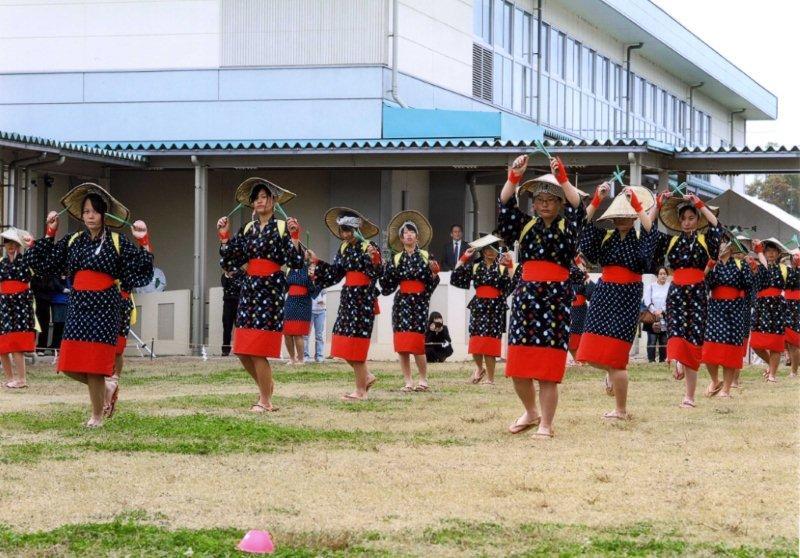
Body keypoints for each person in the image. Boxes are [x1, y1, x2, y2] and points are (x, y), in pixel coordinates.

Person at [24, 183, 153, 427]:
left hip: (105, 308)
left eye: (94, 211)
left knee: (94, 365)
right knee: (68, 365)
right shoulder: (73, 240)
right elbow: (43, 264)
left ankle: (96, 416)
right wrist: (50, 233)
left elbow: (142, 270)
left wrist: (143, 240)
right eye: (85, 212)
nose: (90, 216)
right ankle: (107, 386)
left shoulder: (117, 241)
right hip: (78, 306)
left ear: (104, 214)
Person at [497, 154, 585, 438]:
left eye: (551, 199)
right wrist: (515, 176)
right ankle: (531, 412)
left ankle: (546, 423)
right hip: (526, 298)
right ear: (533, 203)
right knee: (518, 366)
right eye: (539, 199)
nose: (544, 203)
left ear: (559, 203)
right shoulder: (524, 225)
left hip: (556, 300)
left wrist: (562, 178)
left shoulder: (568, 226)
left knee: (548, 368)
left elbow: (579, 206)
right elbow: (506, 203)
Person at [217, 178, 303, 412]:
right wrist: (224, 236)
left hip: (271, 289)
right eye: (256, 198)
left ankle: (265, 400)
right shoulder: (247, 229)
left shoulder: (283, 227)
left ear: (273, 201)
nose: (259, 201)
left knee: (258, 350)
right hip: (250, 288)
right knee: (242, 350)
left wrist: (295, 238)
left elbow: (296, 262)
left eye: (264, 196)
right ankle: (266, 387)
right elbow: (229, 260)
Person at [576, 183, 656, 420]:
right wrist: (597, 199)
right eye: (618, 215)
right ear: (612, 219)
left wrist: (638, 205)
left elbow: (651, 231)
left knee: (618, 359)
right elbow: (581, 226)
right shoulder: (604, 238)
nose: (622, 219)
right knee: (589, 351)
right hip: (604, 294)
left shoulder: (642, 238)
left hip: (628, 297)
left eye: (626, 214)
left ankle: (621, 410)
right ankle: (610, 373)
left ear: (632, 217)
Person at [651, 192, 722, 409]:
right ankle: (677, 360)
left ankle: (689, 397)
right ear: (679, 221)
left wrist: (699, 204)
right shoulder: (671, 241)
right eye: (684, 219)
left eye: (692, 218)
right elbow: (649, 231)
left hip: (698, 293)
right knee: (675, 332)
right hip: (677, 292)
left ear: (697, 219)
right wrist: (657, 204)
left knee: (693, 341)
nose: (687, 222)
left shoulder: (705, 240)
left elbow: (717, 225)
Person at [312, 207, 383, 401]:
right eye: (342, 231)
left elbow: (378, 273)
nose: (344, 234)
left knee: (356, 345)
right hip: (348, 298)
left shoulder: (369, 246)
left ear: (356, 230)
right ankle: (366, 376)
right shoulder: (343, 248)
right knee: (342, 342)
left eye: (347, 230)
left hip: (363, 299)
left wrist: (375, 259)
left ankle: (360, 391)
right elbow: (335, 273)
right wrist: (316, 262)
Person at [379, 210, 440, 392]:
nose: (408, 235)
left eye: (411, 232)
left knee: (417, 344)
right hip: (402, 303)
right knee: (403, 345)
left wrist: (435, 274)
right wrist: (381, 268)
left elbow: (431, 283)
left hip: (419, 303)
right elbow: (387, 286)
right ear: (401, 238)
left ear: (417, 236)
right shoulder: (396, 259)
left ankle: (423, 379)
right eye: (405, 232)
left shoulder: (426, 256)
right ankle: (408, 381)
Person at [450, 233, 515, 384]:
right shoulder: (475, 267)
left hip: (495, 308)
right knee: (476, 343)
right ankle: (479, 368)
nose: (491, 252)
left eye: (494, 249)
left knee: (490, 345)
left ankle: (491, 379)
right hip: (479, 307)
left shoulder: (501, 268)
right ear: (483, 251)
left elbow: (514, 284)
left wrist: (510, 265)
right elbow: (456, 276)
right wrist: (464, 258)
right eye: (488, 249)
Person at [700, 234, 752, 398]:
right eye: (718, 244)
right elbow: (701, 283)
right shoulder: (712, 265)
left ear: (730, 247)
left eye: (723, 244)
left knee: (731, 350)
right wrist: (708, 266)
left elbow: (749, 286)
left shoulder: (740, 264)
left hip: (734, 310)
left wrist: (751, 266)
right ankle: (715, 381)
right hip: (715, 309)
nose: (720, 247)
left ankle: (726, 389)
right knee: (709, 349)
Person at [0, 227, 36, 389]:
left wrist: (32, 245)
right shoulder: (1, 263)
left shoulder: (26, 260)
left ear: (19, 245)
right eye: (8, 243)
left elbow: (36, 263)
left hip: (21, 304)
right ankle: (9, 378)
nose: (11, 246)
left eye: (14, 243)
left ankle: (21, 379)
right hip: (4, 305)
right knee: (2, 344)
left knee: (17, 344)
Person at [749, 238, 789, 383]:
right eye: (768, 251)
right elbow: (753, 285)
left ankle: (772, 374)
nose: (771, 254)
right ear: (763, 253)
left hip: (777, 307)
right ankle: (770, 366)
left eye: (774, 251)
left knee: (776, 345)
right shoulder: (758, 267)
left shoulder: (784, 269)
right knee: (756, 344)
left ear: (778, 253)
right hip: (761, 307)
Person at [283, 254, 320, 364]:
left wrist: (313, 278)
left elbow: (314, 289)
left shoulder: (309, 269)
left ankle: (301, 359)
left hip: (303, 302)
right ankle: (292, 358)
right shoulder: (290, 269)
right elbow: (285, 287)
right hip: (290, 301)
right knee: (287, 332)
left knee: (298, 333)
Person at [568, 255, 595, 364]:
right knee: (570, 340)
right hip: (568, 310)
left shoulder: (583, 278)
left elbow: (591, 294)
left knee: (577, 339)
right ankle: (578, 361)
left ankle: (580, 361)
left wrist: (586, 277)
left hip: (580, 311)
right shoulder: (567, 274)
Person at [643, 267, 670, 363]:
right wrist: (654, 311)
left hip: (665, 316)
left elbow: (670, 300)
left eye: (664, 274)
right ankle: (651, 360)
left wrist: (662, 311)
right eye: (661, 274)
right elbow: (647, 300)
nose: (663, 275)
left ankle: (663, 361)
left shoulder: (669, 287)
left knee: (664, 340)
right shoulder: (651, 286)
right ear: (657, 275)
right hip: (652, 316)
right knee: (652, 340)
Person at [221, 268, 244, 356]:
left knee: (239, 327)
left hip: (239, 303)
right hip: (228, 303)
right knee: (227, 326)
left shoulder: (242, 274)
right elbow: (224, 285)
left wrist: (233, 280)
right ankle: (225, 349)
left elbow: (240, 286)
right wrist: (227, 275)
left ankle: (240, 349)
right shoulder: (224, 276)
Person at [785, 249, 800, 378]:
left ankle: (794, 371)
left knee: (794, 341)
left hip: (797, 305)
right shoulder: (787, 271)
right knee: (788, 339)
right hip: (786, 305)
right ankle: (791, 364)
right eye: (793, 257)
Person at [304, 286, 327, 363]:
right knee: (306, 335)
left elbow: (324, 291)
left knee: (319, 335)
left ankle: (319, 356)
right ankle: (305, 356)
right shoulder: (308, 281)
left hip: (321, 311)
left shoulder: (322, 281)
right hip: (309, 311)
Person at [30, 272, 51, 355]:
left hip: (45, 301)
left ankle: (41, 348)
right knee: (32, 324)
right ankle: (31, 347)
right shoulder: (32, 272)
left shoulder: (48, 273)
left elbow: (51, 286)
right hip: (34, 300)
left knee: (44, 324)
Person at [48, 276, 70, 350]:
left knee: (60, 324)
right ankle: (56, 344)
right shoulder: (58, 276)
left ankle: (56, 344)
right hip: (60, 301)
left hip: (62, 301)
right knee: (59, 324)